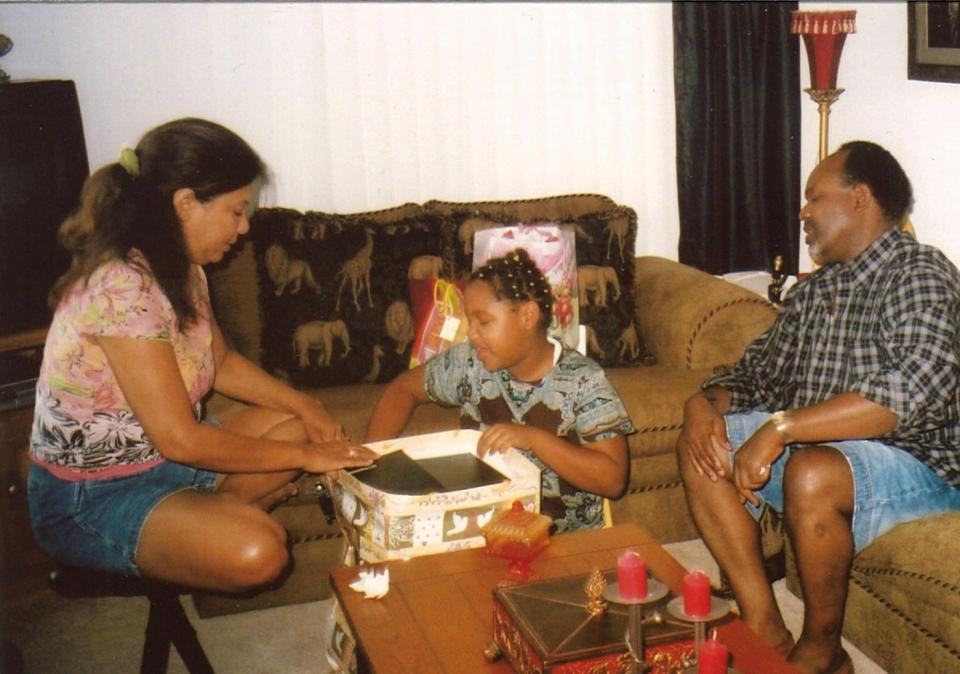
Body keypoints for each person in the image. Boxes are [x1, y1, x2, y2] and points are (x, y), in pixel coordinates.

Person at [28, 118, 377, 593]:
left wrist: (306, 406)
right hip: (92, 495)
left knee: (295, 423)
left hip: (162, 462)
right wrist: (308, 456)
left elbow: (223, 364)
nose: (244, 226)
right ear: (185, 203)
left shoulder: (183, 266)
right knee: (261, 552)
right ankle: (216, 522)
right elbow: (182, 440)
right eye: (236, 211)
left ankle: (204, 519)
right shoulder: (121, 288)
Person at [677, 141, 960, 674]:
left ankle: (823, 653)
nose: (802, 212)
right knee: (703, 443)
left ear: (859, 199)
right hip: (829, 459)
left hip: (923, 467)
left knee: (811, 470)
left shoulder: (918, 273)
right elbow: (753, 375)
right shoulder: (816, 292)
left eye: (813, 197)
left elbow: (908, 394)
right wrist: (701, 407)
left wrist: (781, 429)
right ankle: (764, 623)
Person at [366, 248, 634, 533]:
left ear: (528, 315)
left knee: (600, 581)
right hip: (486, 540)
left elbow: (613, 480)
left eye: (484, 321)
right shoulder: (469, 364)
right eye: (471, 322)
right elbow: (403, 389)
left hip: (570, 548)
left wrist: (533, 439)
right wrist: (369, 461)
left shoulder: (584, 381)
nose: (472, 334)